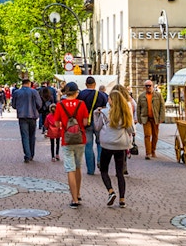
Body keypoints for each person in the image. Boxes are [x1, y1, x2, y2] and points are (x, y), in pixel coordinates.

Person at [94, 90, 134, 208]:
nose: (108, 100)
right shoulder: (125, 113)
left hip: (107, 144)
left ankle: (111, 191)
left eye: (109, 98)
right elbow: (130, 129)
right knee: (119, 172)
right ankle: (122, 199)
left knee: (104, 169)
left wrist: (96, 114)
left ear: (112, 100)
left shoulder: (105, 112)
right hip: (121, 145)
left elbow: (97, 127)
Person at [54, 81, 89, 209]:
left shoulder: (60, 105)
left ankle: (74, 199)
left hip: (67, 139)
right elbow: (85, 122)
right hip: (80, 139)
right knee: (78, 166)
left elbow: (57, 124)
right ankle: (78, 193)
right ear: (76, 92)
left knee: (70, 168)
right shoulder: (81, 104)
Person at [78, 76, 108, 175]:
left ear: (86, 84)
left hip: (86, 122)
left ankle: (90, 170)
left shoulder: (81, 94)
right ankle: (100, 160)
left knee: (88, 146)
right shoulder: (100, 94)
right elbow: (105, 107)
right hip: (98, 121)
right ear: (95, 84)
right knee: (100, 143)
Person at [11, 78, 42, 163]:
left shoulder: (16, 92)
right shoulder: (34, 92)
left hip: (22, 116)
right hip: (32, 116)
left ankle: (27, 155)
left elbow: (13, 105)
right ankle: (31, 154)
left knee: (24, 136)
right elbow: (39, 104)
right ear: (29, 84)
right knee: (32, 135)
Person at [136, 79, 166, 159]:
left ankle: (153, 151)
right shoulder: (141, 96)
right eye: (146, 86)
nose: (148, 87)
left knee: (155, 135)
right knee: (147, 135)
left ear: (152, 86)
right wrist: (139, 118)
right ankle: (148, 153)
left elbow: (162, 107)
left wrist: (161, 117)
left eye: (150, 85)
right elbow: (138, 108)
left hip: (155, 118)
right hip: (146, 118)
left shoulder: (158, 95)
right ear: (144, 87)